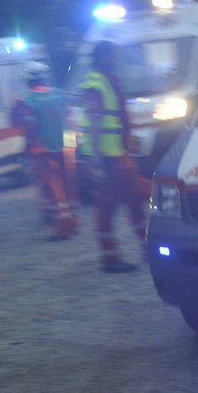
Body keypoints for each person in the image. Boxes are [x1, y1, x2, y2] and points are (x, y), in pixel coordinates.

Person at [78, 40, 146, 273]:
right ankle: (109, 257)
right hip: (108, 157)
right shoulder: (96, 83)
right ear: (104, 57)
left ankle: (147, 246)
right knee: (107, 205)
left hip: (117, 154)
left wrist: (127, 148)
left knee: (134, 199)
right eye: (112, 55)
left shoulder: (107, 80)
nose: (116, 59)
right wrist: (94, 159)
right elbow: (95, 122)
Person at [10, 61, 76, 240]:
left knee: (54, 191)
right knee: (68, 188)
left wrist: (25, 150)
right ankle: (72, 221)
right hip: (66, 147)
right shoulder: (61, 94)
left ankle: (62, 228)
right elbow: (70, 120)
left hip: (43, 150)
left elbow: (26, 126)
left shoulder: (27, 100)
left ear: (28, 81)